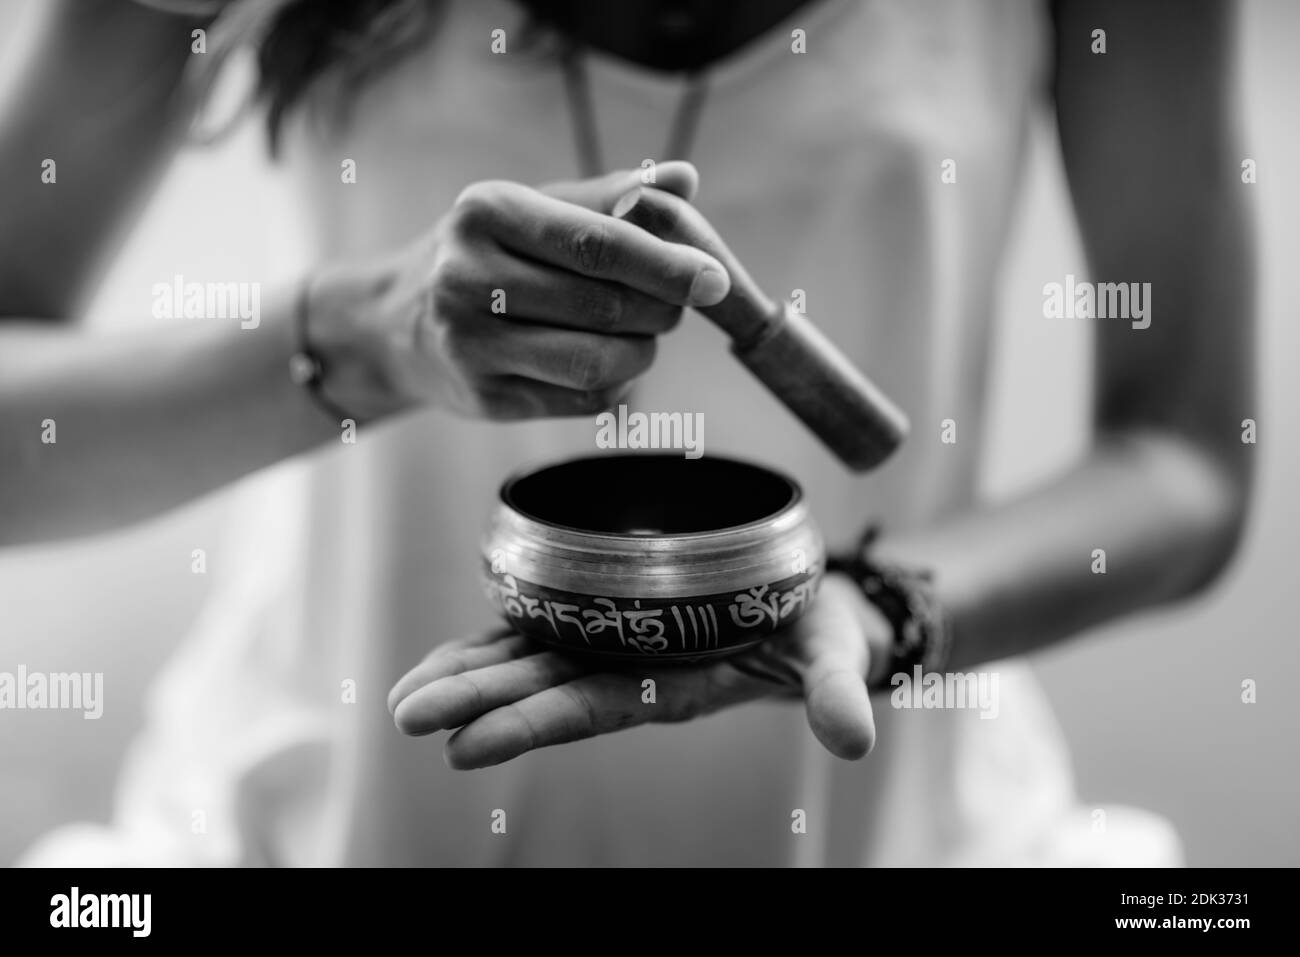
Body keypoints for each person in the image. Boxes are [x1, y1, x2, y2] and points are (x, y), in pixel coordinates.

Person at [4, 0, 1252, 866]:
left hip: (890, 831)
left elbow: (1183, 466)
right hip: (319, 820)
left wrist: (884, 609)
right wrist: (367, 336)